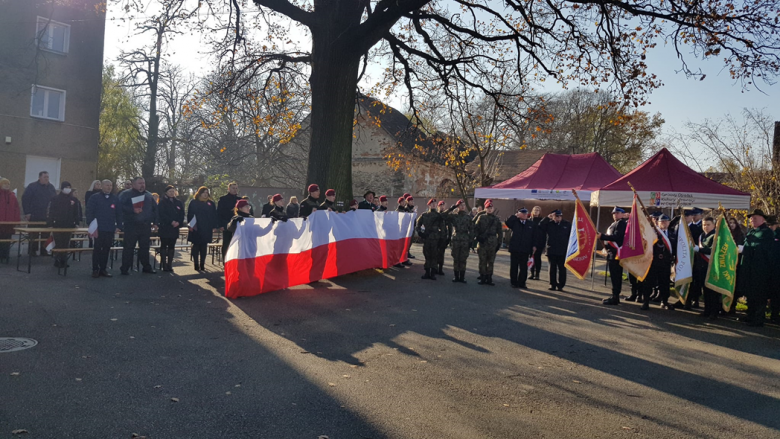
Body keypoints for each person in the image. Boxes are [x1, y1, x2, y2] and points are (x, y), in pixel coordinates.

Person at [739, 209, 774, 327]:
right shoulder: (751, 232)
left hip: (760, 270)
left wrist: (746, 249)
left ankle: (758, 319)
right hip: (749, 269)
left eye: (755, 218)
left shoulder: (766, 233)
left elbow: (762, 249)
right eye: (751, 218)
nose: (752, 220)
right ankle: (750, 315)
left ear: (762, 219)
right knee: (750, 293)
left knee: (759, 295)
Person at [119, 177, 158, 275]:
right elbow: (119, 207)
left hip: (145, 226)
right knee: (129, 247)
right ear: (134, 184)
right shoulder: (126, 194)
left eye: (143, 183)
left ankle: (146, 267)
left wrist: (156, 222)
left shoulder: (148, 195)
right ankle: (125, 268)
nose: (142, 185)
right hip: (131, 225)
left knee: (145, 247)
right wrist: (132, 210)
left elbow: (155, 210)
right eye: (140, 183)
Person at [85, 180, 121, 277]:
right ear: (102, 186)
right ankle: (95, 269)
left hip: (109, 228)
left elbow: (119, 213)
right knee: (97, 249)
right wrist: (91, 224)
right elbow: (89, 211)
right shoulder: (95, 197)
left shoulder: (115, 198)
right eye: (107, 185)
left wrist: (118, 226)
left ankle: (103, 269)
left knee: (106, 249)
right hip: (98, 228)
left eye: (110, 185)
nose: (109, 187)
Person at [640, 214, 675, 311]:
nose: (664, 223)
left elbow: (675, 248)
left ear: (669, 222)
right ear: (658, 223)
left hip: (665, 263)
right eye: (662, 221)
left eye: (666, 221)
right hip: (653, 262)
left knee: (664, 283)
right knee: (649, 283)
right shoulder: (653, 233)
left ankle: (665, 301)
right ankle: (646, 302)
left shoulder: (672, 234)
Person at [22, 171, 56, 256]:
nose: (46, 178)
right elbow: (25, 199)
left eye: (47, 177)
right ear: (40, 177)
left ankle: (44, 250)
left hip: (47, 216)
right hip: (34, 215)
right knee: (33, 235)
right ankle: (32, 251)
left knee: (46, 235)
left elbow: (55, 201)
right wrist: (27, 212)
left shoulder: (51, 187)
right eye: (45, 177)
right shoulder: (32, 186)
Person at [47, 181, 81, 268]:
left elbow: (76, 212)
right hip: (57, 224)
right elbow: (51, 211)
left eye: (69, 187)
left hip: (69, 225)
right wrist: (50, 223)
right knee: (58, 243)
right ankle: (57, 260)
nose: (68, 189)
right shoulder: (55, 199)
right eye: (66, 187)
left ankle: (64, 260)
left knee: (66, 243)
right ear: (62, 188)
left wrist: (76, 222)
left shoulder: (74, 200)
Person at [599, 207, 627, 305]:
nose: (615, 214)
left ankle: (615, 297)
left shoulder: (621, 223)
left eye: (618, 213)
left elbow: (617, 237)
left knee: (616, 276)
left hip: (616, 254)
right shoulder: (614, 224)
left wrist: (602, 236)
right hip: (612, 253)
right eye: (614, 213)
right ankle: (615, 296)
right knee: (614, 276)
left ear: (622, 214)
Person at [187, 187, 218, 272]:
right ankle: (196, 264)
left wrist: (214, 226)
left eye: (207, 192)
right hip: (196, 227)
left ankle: (202, 264)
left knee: (204, 246)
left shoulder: (210, 203)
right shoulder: (193, 202)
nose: (205, 194)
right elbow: (190, 214)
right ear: (199, 193)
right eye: (204, 192)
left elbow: (214, 215)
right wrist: (190, 226)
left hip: (206, 227)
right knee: (196, 246)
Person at [692, 216, 718, 318]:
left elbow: (713, 250)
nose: (705, 227)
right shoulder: (702, 235)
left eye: (708, 225)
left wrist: (699, 249)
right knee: (705, 290)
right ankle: (707, 310)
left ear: (713, 225)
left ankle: (713, 312)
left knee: (712, 291)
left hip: (711, 266)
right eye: (704, 225)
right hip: (701, 266)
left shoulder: (716, 236)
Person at [538, 210, 570, 291]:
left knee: (562, 269)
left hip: (563, 250)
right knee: (552, 269)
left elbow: (571, 236)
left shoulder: (567, 224)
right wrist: (547, 217)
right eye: (556, 216)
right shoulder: (549, 223)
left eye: (559, 216)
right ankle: (552, 284)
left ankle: (561, 285)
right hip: (551, 249)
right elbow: (540, 226)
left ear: (561, 217)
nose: (557, 218)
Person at [505, 207, 537, 289]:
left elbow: (534, 236)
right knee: (514, 266)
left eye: (526, 214)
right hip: (515, 248)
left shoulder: (531, 224)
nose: (525, 215)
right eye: (523, 213)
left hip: (525, 248)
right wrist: (515, 216)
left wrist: (534, 245)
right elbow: (507, 222)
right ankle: (514, 282)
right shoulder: (515, 222)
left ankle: (522, 282)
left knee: (523, 267)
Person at [157, 185, 184, 272]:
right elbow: (162, 214)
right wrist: (171, 221)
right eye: (170, 192)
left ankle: (170, 264)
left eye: (173, 191)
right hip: (165, 227)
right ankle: (164, 264)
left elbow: (182, 214)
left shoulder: (178, 202)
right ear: (166, 193)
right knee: (164, 245)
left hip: (174, 228)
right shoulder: (162, 202)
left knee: (172, 246)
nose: (172, 193)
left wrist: (178, 222)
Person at [474, 200, 502, 286]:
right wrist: (477, 238)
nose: (489, 209)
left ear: (493, 209)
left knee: (490, 261)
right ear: (485, 209)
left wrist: (499, 243)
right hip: (483, 242)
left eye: (491, 208)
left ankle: (489, 278)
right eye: (488, 208)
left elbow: (500, 232)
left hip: (492, 242)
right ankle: (482, 277)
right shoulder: (481, 217)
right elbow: (476, 228)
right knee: (482, 261)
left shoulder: (496, 219)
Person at [416, 198, 444, 280]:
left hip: (435, 239)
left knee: (434, 256)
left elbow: (442, 228)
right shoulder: (424, 215)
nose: (434, 205)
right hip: (427, 238)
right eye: (432, 204)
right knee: (427, 255)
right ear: (429, 205)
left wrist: (442, 239)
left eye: (435, 203)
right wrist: (420, 233)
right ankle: (427, 272)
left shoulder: (439, 216)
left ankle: (433, 273)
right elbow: (418, 224)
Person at [447, 200, 473, 283]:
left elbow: (472, 229)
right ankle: (456, 276)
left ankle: (462, 277)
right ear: (457, 207)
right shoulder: (454, 216)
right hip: (456, 238)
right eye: (460, 205)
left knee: (463, 259)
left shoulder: (468, 217)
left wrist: (471, 240)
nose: (462, 207)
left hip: (465, 239)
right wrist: (452, 208)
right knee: (456, 258)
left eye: (464, 205)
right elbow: (443, 215)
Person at [217, 182, 240, 262]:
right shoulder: (223, 199)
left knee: (237, 244)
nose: (235, 190)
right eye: (233, 188)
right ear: (229, 189)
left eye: (236, 188)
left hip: (238, 225)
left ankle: (235, 261)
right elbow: (219, 213)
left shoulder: (240, 200)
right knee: (227, 244)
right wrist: (221, 225)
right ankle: (225, 261)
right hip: (226, 224)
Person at [0, 178, 21, 261]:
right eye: (5, 184)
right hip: (0, 222)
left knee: (7, 239)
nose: (6, 185)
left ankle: (5, 255)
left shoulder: (12, 196)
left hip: (9, 223)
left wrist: (16, 220)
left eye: (8, 184)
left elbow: (16, 208)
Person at [435, 201, 452, 275]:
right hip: (436, 237)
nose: (442, 207)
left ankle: (440, 268)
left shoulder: (447, 216)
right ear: (438, 207)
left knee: (441, 254)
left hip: (443, 237)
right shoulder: (436, 215)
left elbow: (450, 227)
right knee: (435, 253)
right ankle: (434, 268)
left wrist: (449, 237)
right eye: (440, 206)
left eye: (443, 206)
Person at [529, 206, 545, 280]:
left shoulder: (542, 221)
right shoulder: (529, 220)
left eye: (538, 210)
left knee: (537, 258)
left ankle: (537, 274)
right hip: (530, 242)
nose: (536, 211)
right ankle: (531, 273)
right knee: (531, 257)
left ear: (540, 212)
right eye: (535, 210)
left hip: (539, 242)